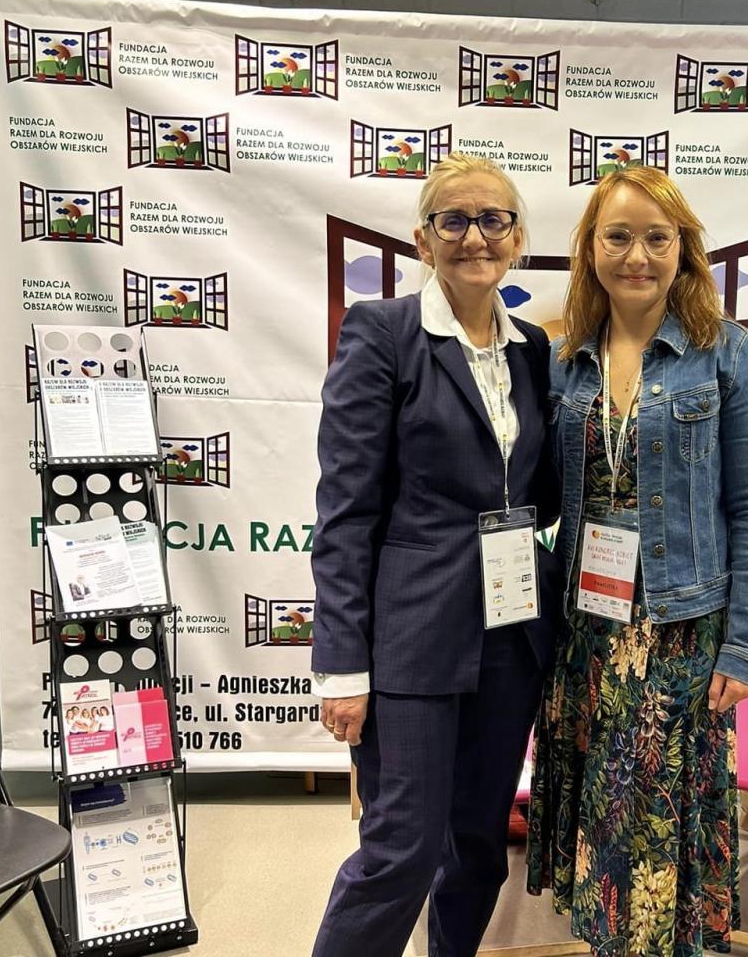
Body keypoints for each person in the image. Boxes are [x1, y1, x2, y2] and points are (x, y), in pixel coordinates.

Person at [526, 167, 748, 955]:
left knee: (659, 818)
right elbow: (535, 491)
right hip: (588, 628)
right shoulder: (563, 356)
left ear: (683, 249)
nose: (636, 255)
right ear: (590, 248)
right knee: (605, 819)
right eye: (618, 236)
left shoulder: (723, 351)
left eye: (656, 238)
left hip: (680, 629)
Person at [310, 153, 561, 957]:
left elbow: (541, 493)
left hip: (511, 635)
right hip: (413, 637)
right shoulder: (383, 334)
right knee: (402, 850)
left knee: (479, 845)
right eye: (453, 220)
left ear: (516, 238)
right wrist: (341, 664)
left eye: (492, 220)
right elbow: (345, 513)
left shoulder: (532, 350)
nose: (474, 237)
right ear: (423, 239)